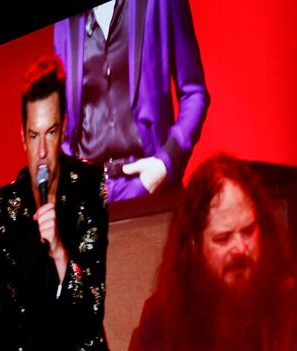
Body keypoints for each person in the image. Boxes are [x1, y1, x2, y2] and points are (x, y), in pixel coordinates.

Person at [0, 54, 134, 351]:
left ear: (63, 132)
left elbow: (93, 306)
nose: (41, 151)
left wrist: (60, 251)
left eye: (51, 133)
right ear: (21, 135)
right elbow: (1, 341)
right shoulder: (10, 202)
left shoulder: (88, 187)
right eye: (33, 135)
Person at [121, 154, 297, 351]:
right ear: (195, 244)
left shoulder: (293, 301)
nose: (241, 248)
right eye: (223, 238)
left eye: (248, 231)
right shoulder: (159, 319)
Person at [54, 0, 209, 202]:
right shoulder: (65, 24)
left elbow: (194, 92)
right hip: (89, 191)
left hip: (148, 182)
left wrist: (166, 162)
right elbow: (66, 118)